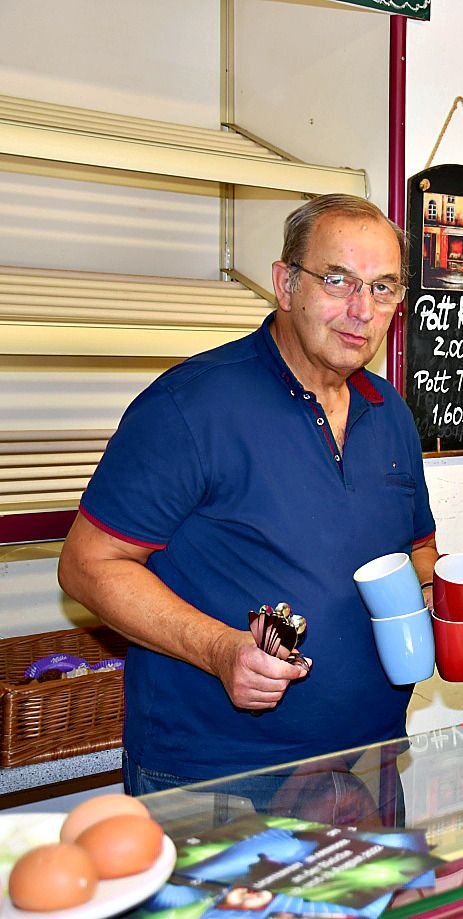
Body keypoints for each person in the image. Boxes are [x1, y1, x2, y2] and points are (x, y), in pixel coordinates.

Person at [57, 194, 437, 802]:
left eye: (384, 287)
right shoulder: (190, 407)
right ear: (285, 284)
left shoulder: (388, 412)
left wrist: (436, 597)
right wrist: (220, 649)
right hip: (221, 777)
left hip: (370, 760)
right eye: (337, 280)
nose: (361, 310)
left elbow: (418, 550)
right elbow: (86, 566)